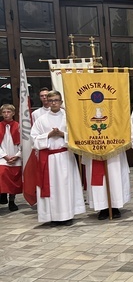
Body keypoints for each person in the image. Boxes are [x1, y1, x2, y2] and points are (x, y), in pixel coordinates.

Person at [30, 91, 85, 225]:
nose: (54, 102)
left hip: (65, 156)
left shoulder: (69, 118)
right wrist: (48, 135)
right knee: (52, 187)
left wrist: (62, 134)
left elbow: (77, 136)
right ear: (47, 102)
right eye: (51, 100)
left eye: (56, 100)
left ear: (61, 102)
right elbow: (33, 139)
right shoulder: (41, 120)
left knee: (66, 186)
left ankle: (67, 215)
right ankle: (52, 217)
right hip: (48, 158)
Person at [83, 153, 131, 220]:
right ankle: (103, 208)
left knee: (114, 177)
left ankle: (114, 206)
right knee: (100, 182)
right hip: (94, 150)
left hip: (113, 149)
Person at [0, 104, 22, 211]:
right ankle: (3, 194)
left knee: (14, 179)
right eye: (4, 112)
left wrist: (17, 156)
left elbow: (23, 144)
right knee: (2, 174)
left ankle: (12, 201)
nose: (6, 114)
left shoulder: (18, 126)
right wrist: (5, 156)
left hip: (15, 157)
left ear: (13, 113)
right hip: (3, 158)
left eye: (8, 112)